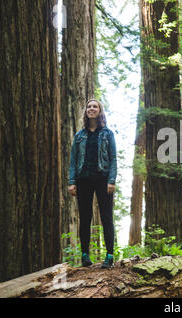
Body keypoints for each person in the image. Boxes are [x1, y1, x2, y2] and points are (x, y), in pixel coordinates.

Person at [68, 99, 117, 269]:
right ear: (86, 112)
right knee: (85, 218)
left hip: (103, 180)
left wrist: (111, 181)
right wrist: (72, 182)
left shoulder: (107, 134)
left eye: (95, 106)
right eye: (89, 107)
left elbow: (113, 158)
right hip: (83, 181)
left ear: (100, 111)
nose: (91, 109)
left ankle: (109, 255)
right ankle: (85, 256)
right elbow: (73, 160)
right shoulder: (79, 136)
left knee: (106, 217)